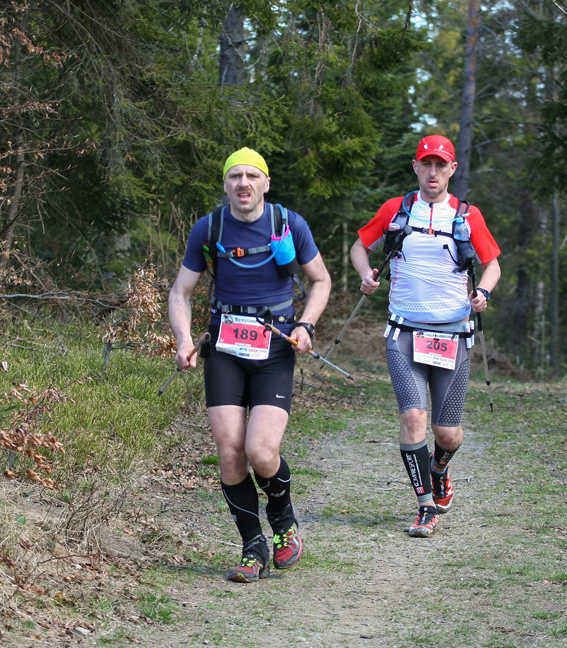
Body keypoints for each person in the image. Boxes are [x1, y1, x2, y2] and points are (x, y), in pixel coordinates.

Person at [168, 148, 331, 581]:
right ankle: (252, 546)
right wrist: (184, 339)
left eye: (252, 176)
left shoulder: (288, 223)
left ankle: (283, 521)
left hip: (274, 347)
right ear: (225, 184)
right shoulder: (209, 228)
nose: (243, 183)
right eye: (235, 176)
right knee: (229, 451)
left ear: (266, 183)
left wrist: (306, 325)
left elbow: (321, 280)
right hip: (223, 346)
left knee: (260, 451)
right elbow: (181, 292)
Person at [350, 134, 501, 537]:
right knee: (413, 417)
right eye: (426, 164)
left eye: (441, 165)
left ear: (452, 169)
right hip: (404, 331)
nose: (433, 172)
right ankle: (425, 506)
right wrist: (366, 275)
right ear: (416, 167)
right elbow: (360, 247)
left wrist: (483, 293)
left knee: (446, 433)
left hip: (454, 335)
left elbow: (493, 265)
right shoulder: (395, 209)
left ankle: (439, 467)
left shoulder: (468, 216)